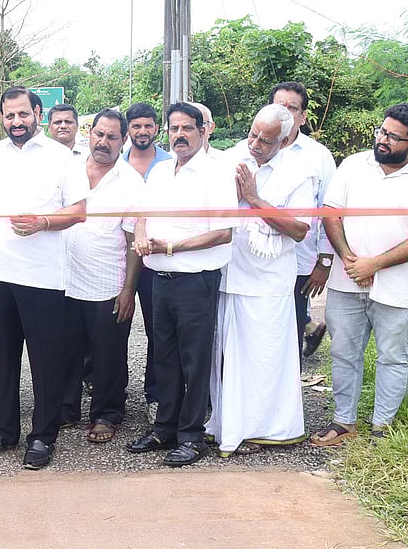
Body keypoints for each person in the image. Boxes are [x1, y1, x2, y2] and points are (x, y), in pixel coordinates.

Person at [0, 86, 88, 470]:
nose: (16, 122)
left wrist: (44, 222)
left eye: (23, 114)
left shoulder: (61, 156)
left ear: (38, 113)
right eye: (9, 115)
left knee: (45, 360)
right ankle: (4, 430)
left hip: (41, 274)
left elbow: (79, 211)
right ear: (1, 117)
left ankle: (42, 437)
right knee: (6, 355)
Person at [312, 104, 408, 446]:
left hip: (397, 286)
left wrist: (375, 264)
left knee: (392, 355)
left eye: (393, 137)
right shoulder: (354, 165)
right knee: (343, 351)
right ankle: (344, 423)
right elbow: (331, 214)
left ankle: (381, 429)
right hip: (347, 280)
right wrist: (349, 259)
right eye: (381, 131)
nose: (383, 140)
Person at [125, 102, 237, 467]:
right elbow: (142, 215)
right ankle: (164, 428)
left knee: (195, 360)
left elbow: (223, 232)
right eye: (174, 128)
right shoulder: (159, 171)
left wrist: (171, 246)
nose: (180, 135)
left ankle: (191, 435)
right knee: (165, 358)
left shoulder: (216, 173)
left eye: (188, 128)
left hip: (195, 281)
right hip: (160, 278)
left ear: (204, 131)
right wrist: (142, 237)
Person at [206, 105, 311, 457]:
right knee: (227, 357)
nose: (255, 144)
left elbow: (298, 230)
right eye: (253, 134)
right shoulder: (231, 159)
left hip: (268, 282)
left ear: (283, 142)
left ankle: (267, 428)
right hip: (229, 273)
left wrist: (253, 199)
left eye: (265, 141)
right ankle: (226, 425)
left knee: (264, 359)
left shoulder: (298, 172)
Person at [61, 108, 143, 444]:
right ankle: (65, 409)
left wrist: (128, 291)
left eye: (112, 137)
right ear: (88, 133)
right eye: (99, 134)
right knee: (65, 349)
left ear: (122, 140)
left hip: (108, 283)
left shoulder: (131, 182)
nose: (103, 142)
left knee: (108, 355)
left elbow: (134, 244)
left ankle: (107, 414)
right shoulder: (70, 170)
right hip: (64, 280)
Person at [270, 82, 338, 359]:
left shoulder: (318, 157)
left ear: (303, 116)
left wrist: (324, 262)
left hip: (299, 262)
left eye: (292, 108)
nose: (285, 114)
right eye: (279, 107)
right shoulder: (248, 149)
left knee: (290, 336)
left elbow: (329, 211)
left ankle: (288, 401)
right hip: (252, 264)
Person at [123, 102, 172, 422]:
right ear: (128, 129)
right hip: (120, 259)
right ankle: (110, 396)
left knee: (159, 331)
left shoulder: (170, 163)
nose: (142, 131)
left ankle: (156, 396)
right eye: (136, 126)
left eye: (148, 126)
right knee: (115, 328)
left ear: (157, 128)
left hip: (157, 259)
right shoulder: (117, 160)